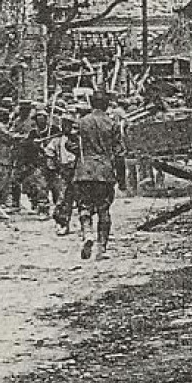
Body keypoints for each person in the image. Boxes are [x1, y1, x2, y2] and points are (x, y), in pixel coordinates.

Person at [72, 91, 126, 260]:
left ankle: (87, 233)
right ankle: (102, 248)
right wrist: (122, 179)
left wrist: (81, 155)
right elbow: (119, 153)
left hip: (84, 170)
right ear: (107, 105)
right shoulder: (112, 124)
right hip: (104, 170)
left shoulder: (81, 122)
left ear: (91, 103)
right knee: (104, 209)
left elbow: (70, 143)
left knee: (84, 206)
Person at [45, 115, 79, 236]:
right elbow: (49, 152)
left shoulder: (78, 139)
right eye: (64, 124)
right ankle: (64, 223)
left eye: (68, 124)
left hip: (77, 170)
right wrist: (52, 166)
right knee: (64, 198)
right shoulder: (57, 140)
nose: (66, 127)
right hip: (64, 171)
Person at [16, 108, 51, 216]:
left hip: (51, 163)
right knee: (36, 185)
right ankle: (40, 207)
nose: (40, 122)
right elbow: (26, 146)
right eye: (38, 120)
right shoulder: (33, 133)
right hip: (36, 163)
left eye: (43, 119)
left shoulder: (53, 130)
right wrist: (33, 144)